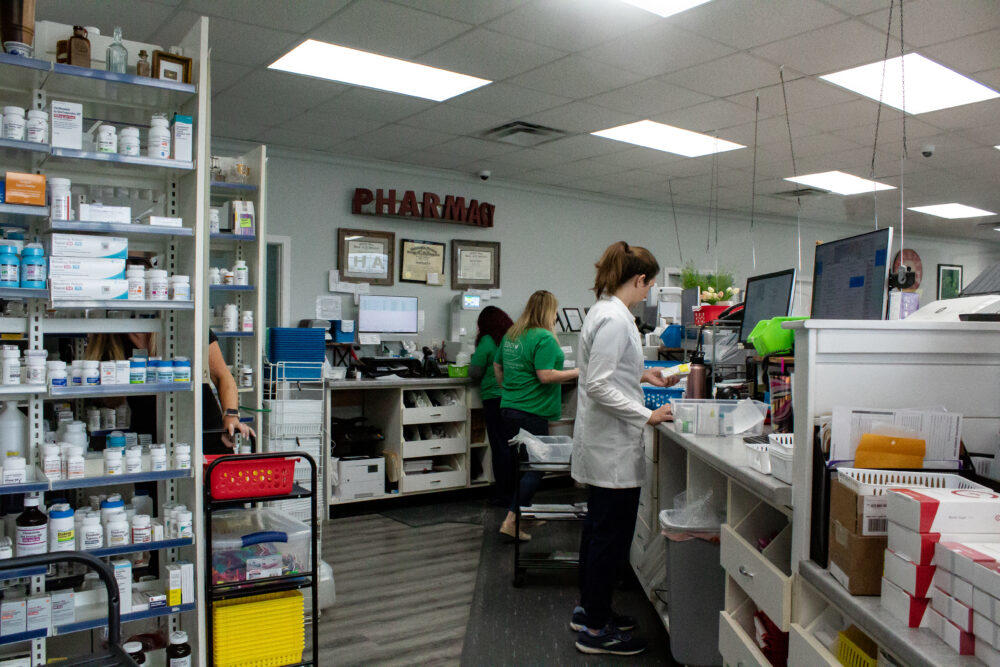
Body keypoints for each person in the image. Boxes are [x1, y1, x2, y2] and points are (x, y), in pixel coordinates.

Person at [571, 241, 680, 656]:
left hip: (604, 443)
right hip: (611, 447)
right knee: (608, 539)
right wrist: (646, 415)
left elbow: (610, 373)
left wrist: (644, 375)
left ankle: (590, 612)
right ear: (638, 280)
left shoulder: (606, 311)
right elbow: (598, 384)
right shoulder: (616, 320)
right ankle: (596, 631)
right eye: (649, 285)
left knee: (599, 533)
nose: (649, 292)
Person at [494, 290, 579, 541]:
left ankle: (525, 514)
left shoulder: (513, 334)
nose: (555, 317)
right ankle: (511, 520)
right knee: (538, 466)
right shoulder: (544, 337)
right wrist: (577, 372)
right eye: (554, 311)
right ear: (548, 311)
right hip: (532, 412)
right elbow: (546, 375)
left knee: (522, 465)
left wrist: (507, 389)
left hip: (509, 408)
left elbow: (498, 365)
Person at [84, 329, 254, 454]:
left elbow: (222, 376)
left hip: (203, 429)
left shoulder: (184, 322)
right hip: (150, 439)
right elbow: (113, 402)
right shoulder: (111, 337)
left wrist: (231, 417)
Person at [468, 306, 514, 507]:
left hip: (494, 398)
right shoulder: (514, 338)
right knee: (512, 446)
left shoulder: (487, 341)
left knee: (499, 446)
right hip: (514, 398)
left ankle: (503, 494)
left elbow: (475, 372)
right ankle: (515, 492)